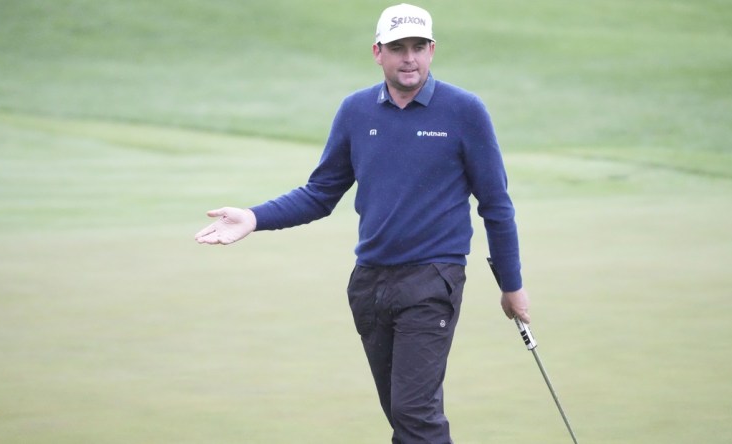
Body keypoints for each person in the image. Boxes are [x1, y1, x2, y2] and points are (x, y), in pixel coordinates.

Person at [195, 3, 531, 443]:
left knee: (414, 414)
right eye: (397, 48)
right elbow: (320, 193)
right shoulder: (356, 112)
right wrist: (255, 217)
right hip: (370, 282)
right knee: (403, 414)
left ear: (432, 50)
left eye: (417, 47)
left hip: (432, 279)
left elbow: (496, 206)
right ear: (378, 52)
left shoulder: (464, 111)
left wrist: (512, 284)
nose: (408, 57)